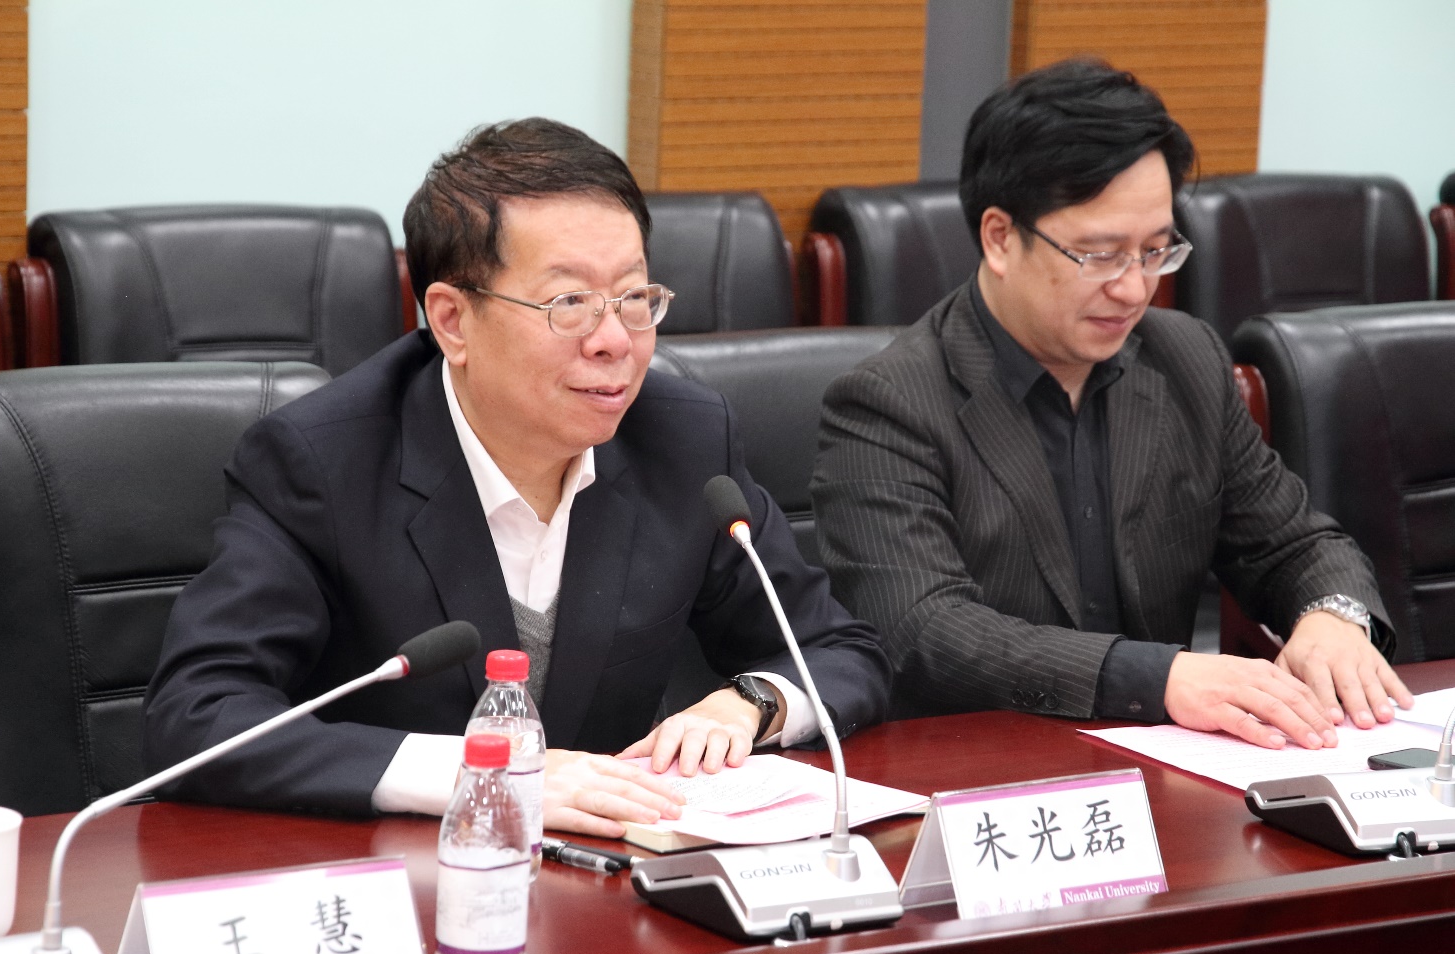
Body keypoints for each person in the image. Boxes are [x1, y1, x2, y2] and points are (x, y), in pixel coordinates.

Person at [144, 118, 889, 836]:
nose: (614, 341)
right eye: (569, 304)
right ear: (452, 321)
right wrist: (482, 771)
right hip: (405, 875)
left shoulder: (684, 442)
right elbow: (197, 714)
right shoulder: (323, 462)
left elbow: (838, 650)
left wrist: (750, 703)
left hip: (614, 870)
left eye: (634, 298)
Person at [811, 59, 1409, 751]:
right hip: (977, 775)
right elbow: (923, 629)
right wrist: (1154, 677)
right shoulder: (886, 404)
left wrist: (1333, 616)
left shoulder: (1185, 359)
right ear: (1000, 238)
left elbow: (1292, 543)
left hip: (1166, 770)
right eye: (1099, 256)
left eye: (1155, 251)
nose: (1133, 289)